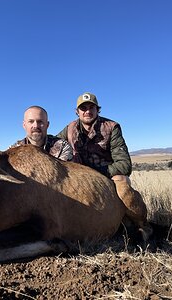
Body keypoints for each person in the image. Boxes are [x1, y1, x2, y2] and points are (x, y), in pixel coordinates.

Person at [57, 92, 151, 240]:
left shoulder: (112, 127)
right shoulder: (69, 129)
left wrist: (96, 174)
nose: (87, 111)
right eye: (83, 108)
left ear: (97, 109)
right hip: (79, 181)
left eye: (91, 107)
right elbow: (53, 146)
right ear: (77, 112)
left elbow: (125, 164)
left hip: (106, 179)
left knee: (122, 183)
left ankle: (142, 225)